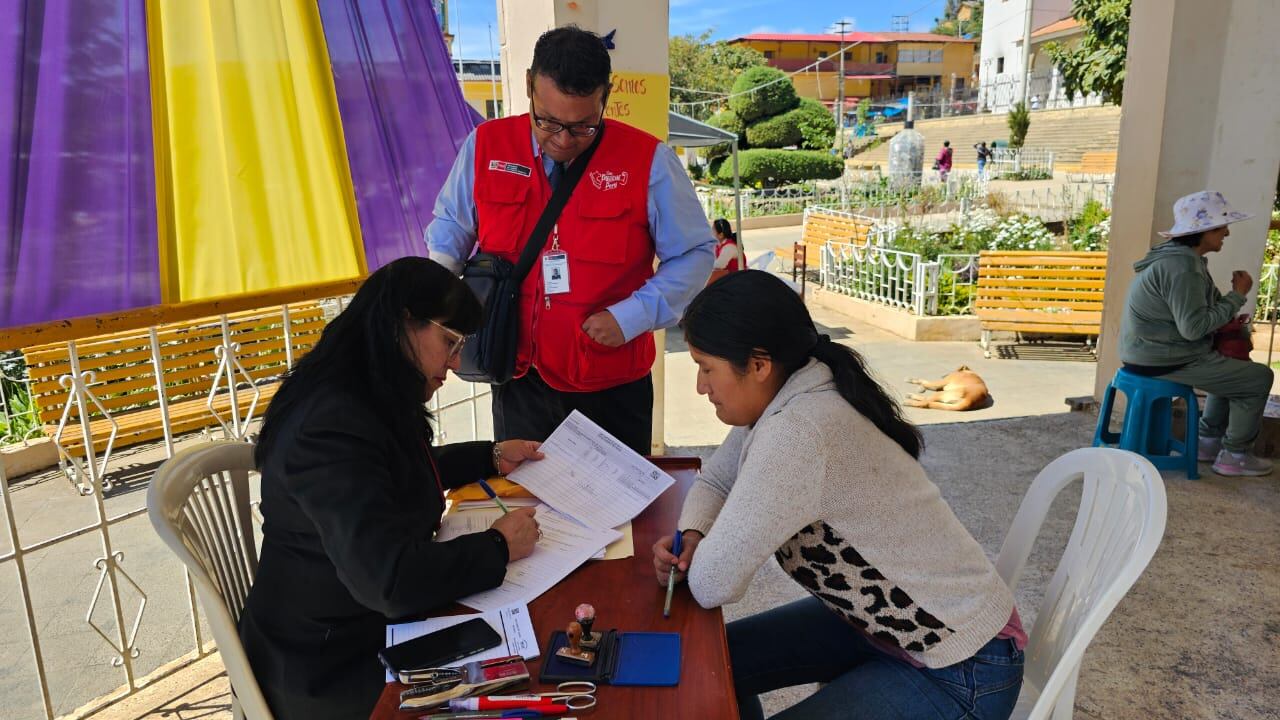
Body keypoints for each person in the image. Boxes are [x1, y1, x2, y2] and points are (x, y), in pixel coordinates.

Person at [652, 270, 1026, 719]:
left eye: (706, 368)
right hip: (879, 628)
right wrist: (693, 534)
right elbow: (714, 481)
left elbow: (714, 583)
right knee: (710, 663)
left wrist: (695, 556)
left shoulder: (800, 431)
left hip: (960, 667)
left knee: (708, 665)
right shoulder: (795, 388)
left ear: (758, 364)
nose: (700, 386)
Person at [240, 257, 545, 720]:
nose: (456, 363)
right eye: (449, 341)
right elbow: (389, 581)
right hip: (329, 663)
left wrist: (491, 457)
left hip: (366, 627)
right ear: (404, 323)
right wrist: (498, 546)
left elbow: (388, 474)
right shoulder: (329, 424)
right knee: (516, 684)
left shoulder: (362, 393)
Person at [426, 26, 715, 455]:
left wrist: (634, 314)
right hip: (517, 376)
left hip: (612, 386)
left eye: (583, 126)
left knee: (617, 515)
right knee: (527, 509)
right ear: (529, 86)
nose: (562, 140)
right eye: (547, 121)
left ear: (606, 97)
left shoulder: (648, 160)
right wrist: (436, 314)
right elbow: (450, 230)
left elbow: (694, 253)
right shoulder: (486, 145)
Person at [1119, 190, 1273, 477]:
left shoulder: (1182, 260)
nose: (1227, 232)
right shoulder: (1182, 266)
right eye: (1221, 226)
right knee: (1259, 378)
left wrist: (1228, 304)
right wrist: (1237, 296)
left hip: (1150, 351)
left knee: (1235, 368)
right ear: (1203, 231)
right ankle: (1235, 455)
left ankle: (1207, 441)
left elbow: (1204, 310)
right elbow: (1194, 329)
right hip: (1162, 357)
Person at [709, 218, 741, 285]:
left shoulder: (729, 247)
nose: (711, 232)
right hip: (729, 276)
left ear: (721, 235)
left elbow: (719, 265)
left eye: (713, 230)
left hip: (737, 277)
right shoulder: (719, 245)